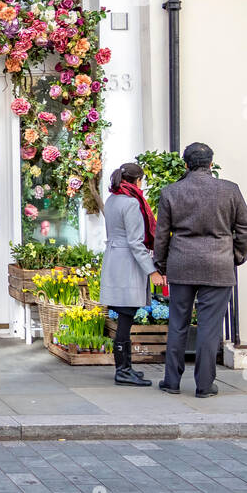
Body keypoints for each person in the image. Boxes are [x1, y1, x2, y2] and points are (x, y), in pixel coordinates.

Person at [153, 142, 247, 398]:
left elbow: (162, 235)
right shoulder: (229, 190)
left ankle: (172, 381)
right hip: (218, 264)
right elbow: (245, 229)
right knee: (210, 328)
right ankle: (204, 385)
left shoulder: (171, 192)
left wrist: (161, 264)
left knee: (178, 324)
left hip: (181, 263)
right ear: (211, 163)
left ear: (186, 164)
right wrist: (236, 255)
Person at [100, 162, 163, 387]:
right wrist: (152, 270)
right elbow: (136, 243)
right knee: (125, 321)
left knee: (124, 319)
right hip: (127, 264)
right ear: (138, 181)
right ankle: (123, 371)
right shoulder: (132, 203)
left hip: (114, 260)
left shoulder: (112, 199)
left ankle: (125, 369)